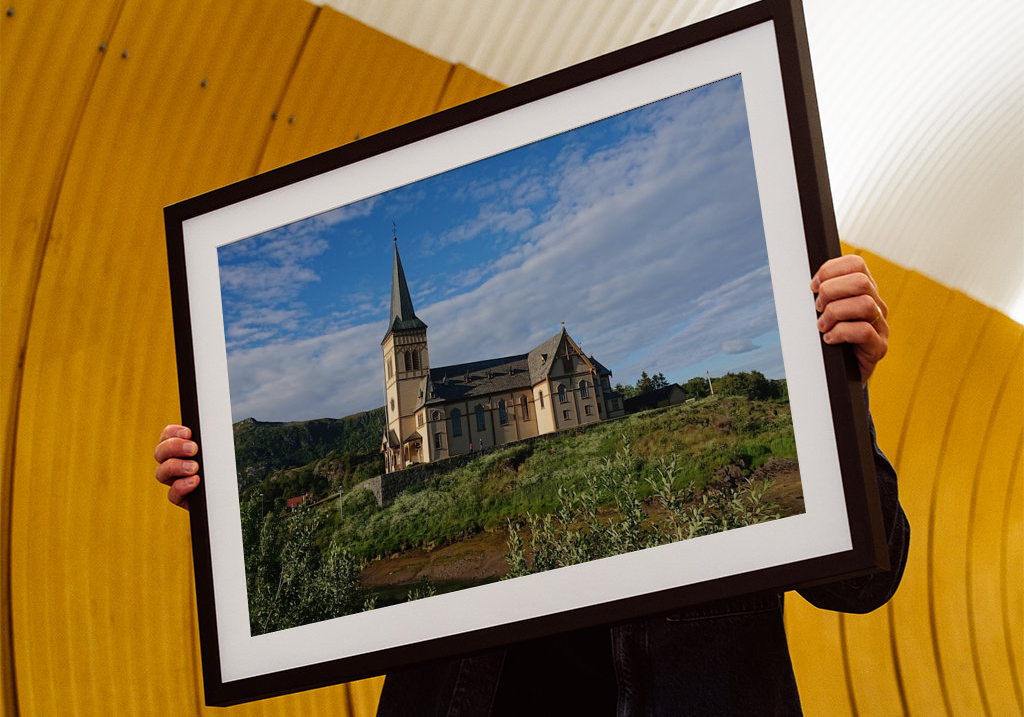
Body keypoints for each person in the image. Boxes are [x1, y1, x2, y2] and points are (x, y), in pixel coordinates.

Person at [155, 255, 908, 715]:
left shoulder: (556, 376)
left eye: (412, 350)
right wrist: (226, 522)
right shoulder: (416, 409)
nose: (408, 360)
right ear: (396, 357)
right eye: (403, 354)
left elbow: (864, 582)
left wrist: (837, 392)